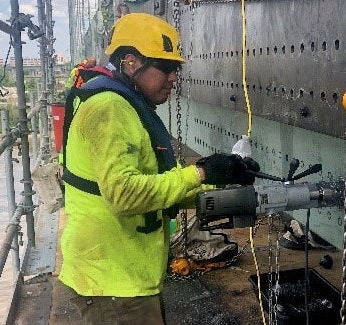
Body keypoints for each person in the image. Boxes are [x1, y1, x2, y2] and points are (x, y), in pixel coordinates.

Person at [53, 13, 259, 324]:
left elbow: (157, 186)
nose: (174, 77)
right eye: (166, 67)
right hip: (113, 282)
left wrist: (222, 182)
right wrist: (201, 172)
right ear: (131, 62)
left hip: (124, 275)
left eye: (176, 68)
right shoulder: (109, 108)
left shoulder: (127, 103)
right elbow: (124, 195)